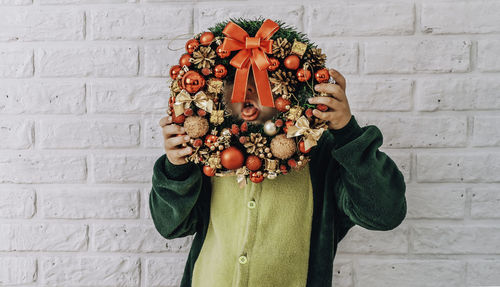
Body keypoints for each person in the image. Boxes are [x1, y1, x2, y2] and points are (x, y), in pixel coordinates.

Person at [150, 68, 407, 287]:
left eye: (261, 82)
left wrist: (348, 134)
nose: (249, 92)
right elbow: (170, 226)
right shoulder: (211, 149)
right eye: (238, 82)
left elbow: (384, 214)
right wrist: (177, 166)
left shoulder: (321, 152)